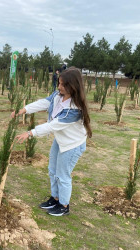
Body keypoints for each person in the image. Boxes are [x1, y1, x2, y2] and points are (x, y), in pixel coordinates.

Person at [11, 67, 92, 216]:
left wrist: (30, 133)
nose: (59, 87)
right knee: (52, 170)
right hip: (61, 140)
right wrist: (25, 109)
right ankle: (55, 198)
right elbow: (44, 102)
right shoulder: (58, 95)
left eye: (62, 84)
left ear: (72, 86)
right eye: (59, 83)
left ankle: (64, 205)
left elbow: (53, 126)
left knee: (63, 175)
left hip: (72, 145)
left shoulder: (74, 110)